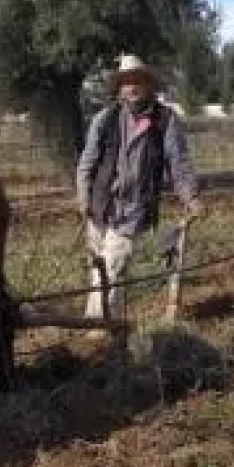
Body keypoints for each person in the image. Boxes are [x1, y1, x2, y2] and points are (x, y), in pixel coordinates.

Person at [75, 53, 203, 320]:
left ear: (148, 85)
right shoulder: (105, 119)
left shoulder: (164, 121)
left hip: (134, 207)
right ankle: (108, 319)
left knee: (112, 265)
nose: (131, 87)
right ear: (119, 88)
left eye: (137, 81)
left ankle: (100, 325)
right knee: (100, 268)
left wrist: (191, 197)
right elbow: (87, 163)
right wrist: (84, 198)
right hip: (100, 205)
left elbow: (179, 164)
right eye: (126, 82)